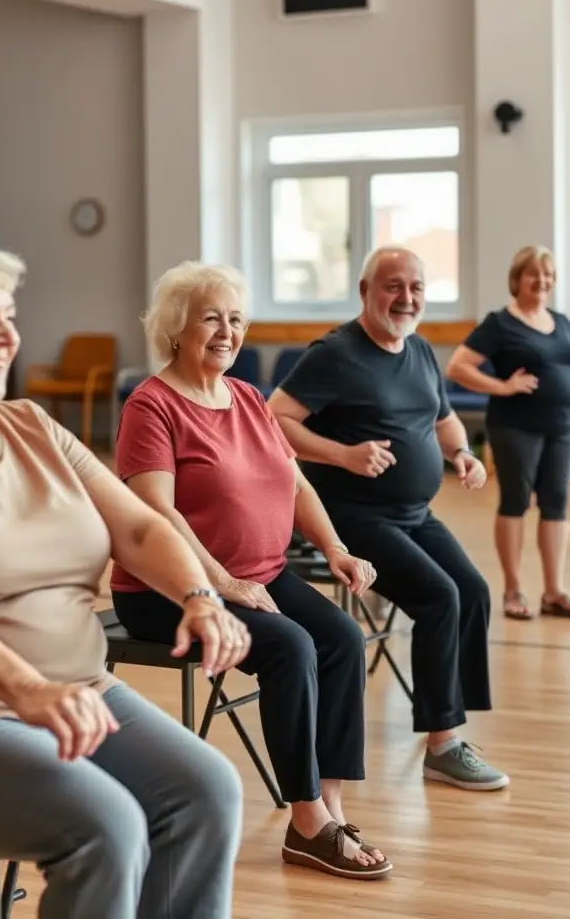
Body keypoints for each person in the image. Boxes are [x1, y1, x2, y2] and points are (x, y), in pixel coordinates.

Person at [0, 226, 252, 919]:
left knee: (206, 791)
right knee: (106, 825)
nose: (8, 337)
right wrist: (28, 688)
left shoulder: (31, 427)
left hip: (75, 691)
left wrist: (199, 595)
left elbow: (138, 526)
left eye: (10, 318)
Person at [111, 260, 392, 881]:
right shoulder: (150, 406)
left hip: (259, 574)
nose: (226, 331)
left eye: (235, 318)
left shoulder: (247, 397)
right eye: (210, 317)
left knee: (343, 638)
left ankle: (325, 812)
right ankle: (308, 818)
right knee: (291, 647)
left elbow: (294, 484)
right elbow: (158, 513)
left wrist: (337, 548)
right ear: (176, 330)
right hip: (172, 589)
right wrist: (219, 582)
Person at [268, 246, 509, 793]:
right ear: (365, 292)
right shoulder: (335, 353)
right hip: (350, 515)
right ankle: (443, 744)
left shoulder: (421, 350)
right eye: (392, 286)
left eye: (416, 287)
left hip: (411, 513)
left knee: (470, 591)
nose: (406, 298)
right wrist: (341, 454)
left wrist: (463, 454)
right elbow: (274, 418)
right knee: (438, 596)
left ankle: (448, 714)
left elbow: (443, 419)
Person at [446, 245, 570, 621]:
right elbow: (458, 367)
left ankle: (554, 591)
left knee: (557, 503)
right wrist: (502, 387)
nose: (542, 281)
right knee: (515, 500)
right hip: (516, 425)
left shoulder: (561, 322)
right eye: (534, 274)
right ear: (517, 280)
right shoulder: (500, 323)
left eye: (548, 275)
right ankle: (513, 589)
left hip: (563, 425)